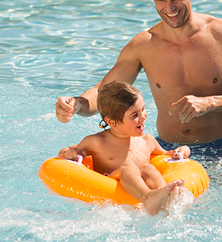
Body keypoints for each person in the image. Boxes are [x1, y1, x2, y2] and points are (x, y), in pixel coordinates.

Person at [55, 0, 222, 160]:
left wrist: (209, 103)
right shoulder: (143, 46)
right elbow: (103, 92)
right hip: (167, 149)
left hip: (221, 145)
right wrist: (77, 104)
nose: (170, 8)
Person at [58, 81, 190, 216]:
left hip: (140, 188)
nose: (143, 116)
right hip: (110, 186)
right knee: (129, 167)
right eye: (135, 115)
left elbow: (170, 156)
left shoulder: (147, 141)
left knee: (148, 168)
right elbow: (65, 153)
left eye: (143, 109)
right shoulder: (97, 142)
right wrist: (69, 152)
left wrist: (184, 150)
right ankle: (147, 197)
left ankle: (166, 198)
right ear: (111, 122)